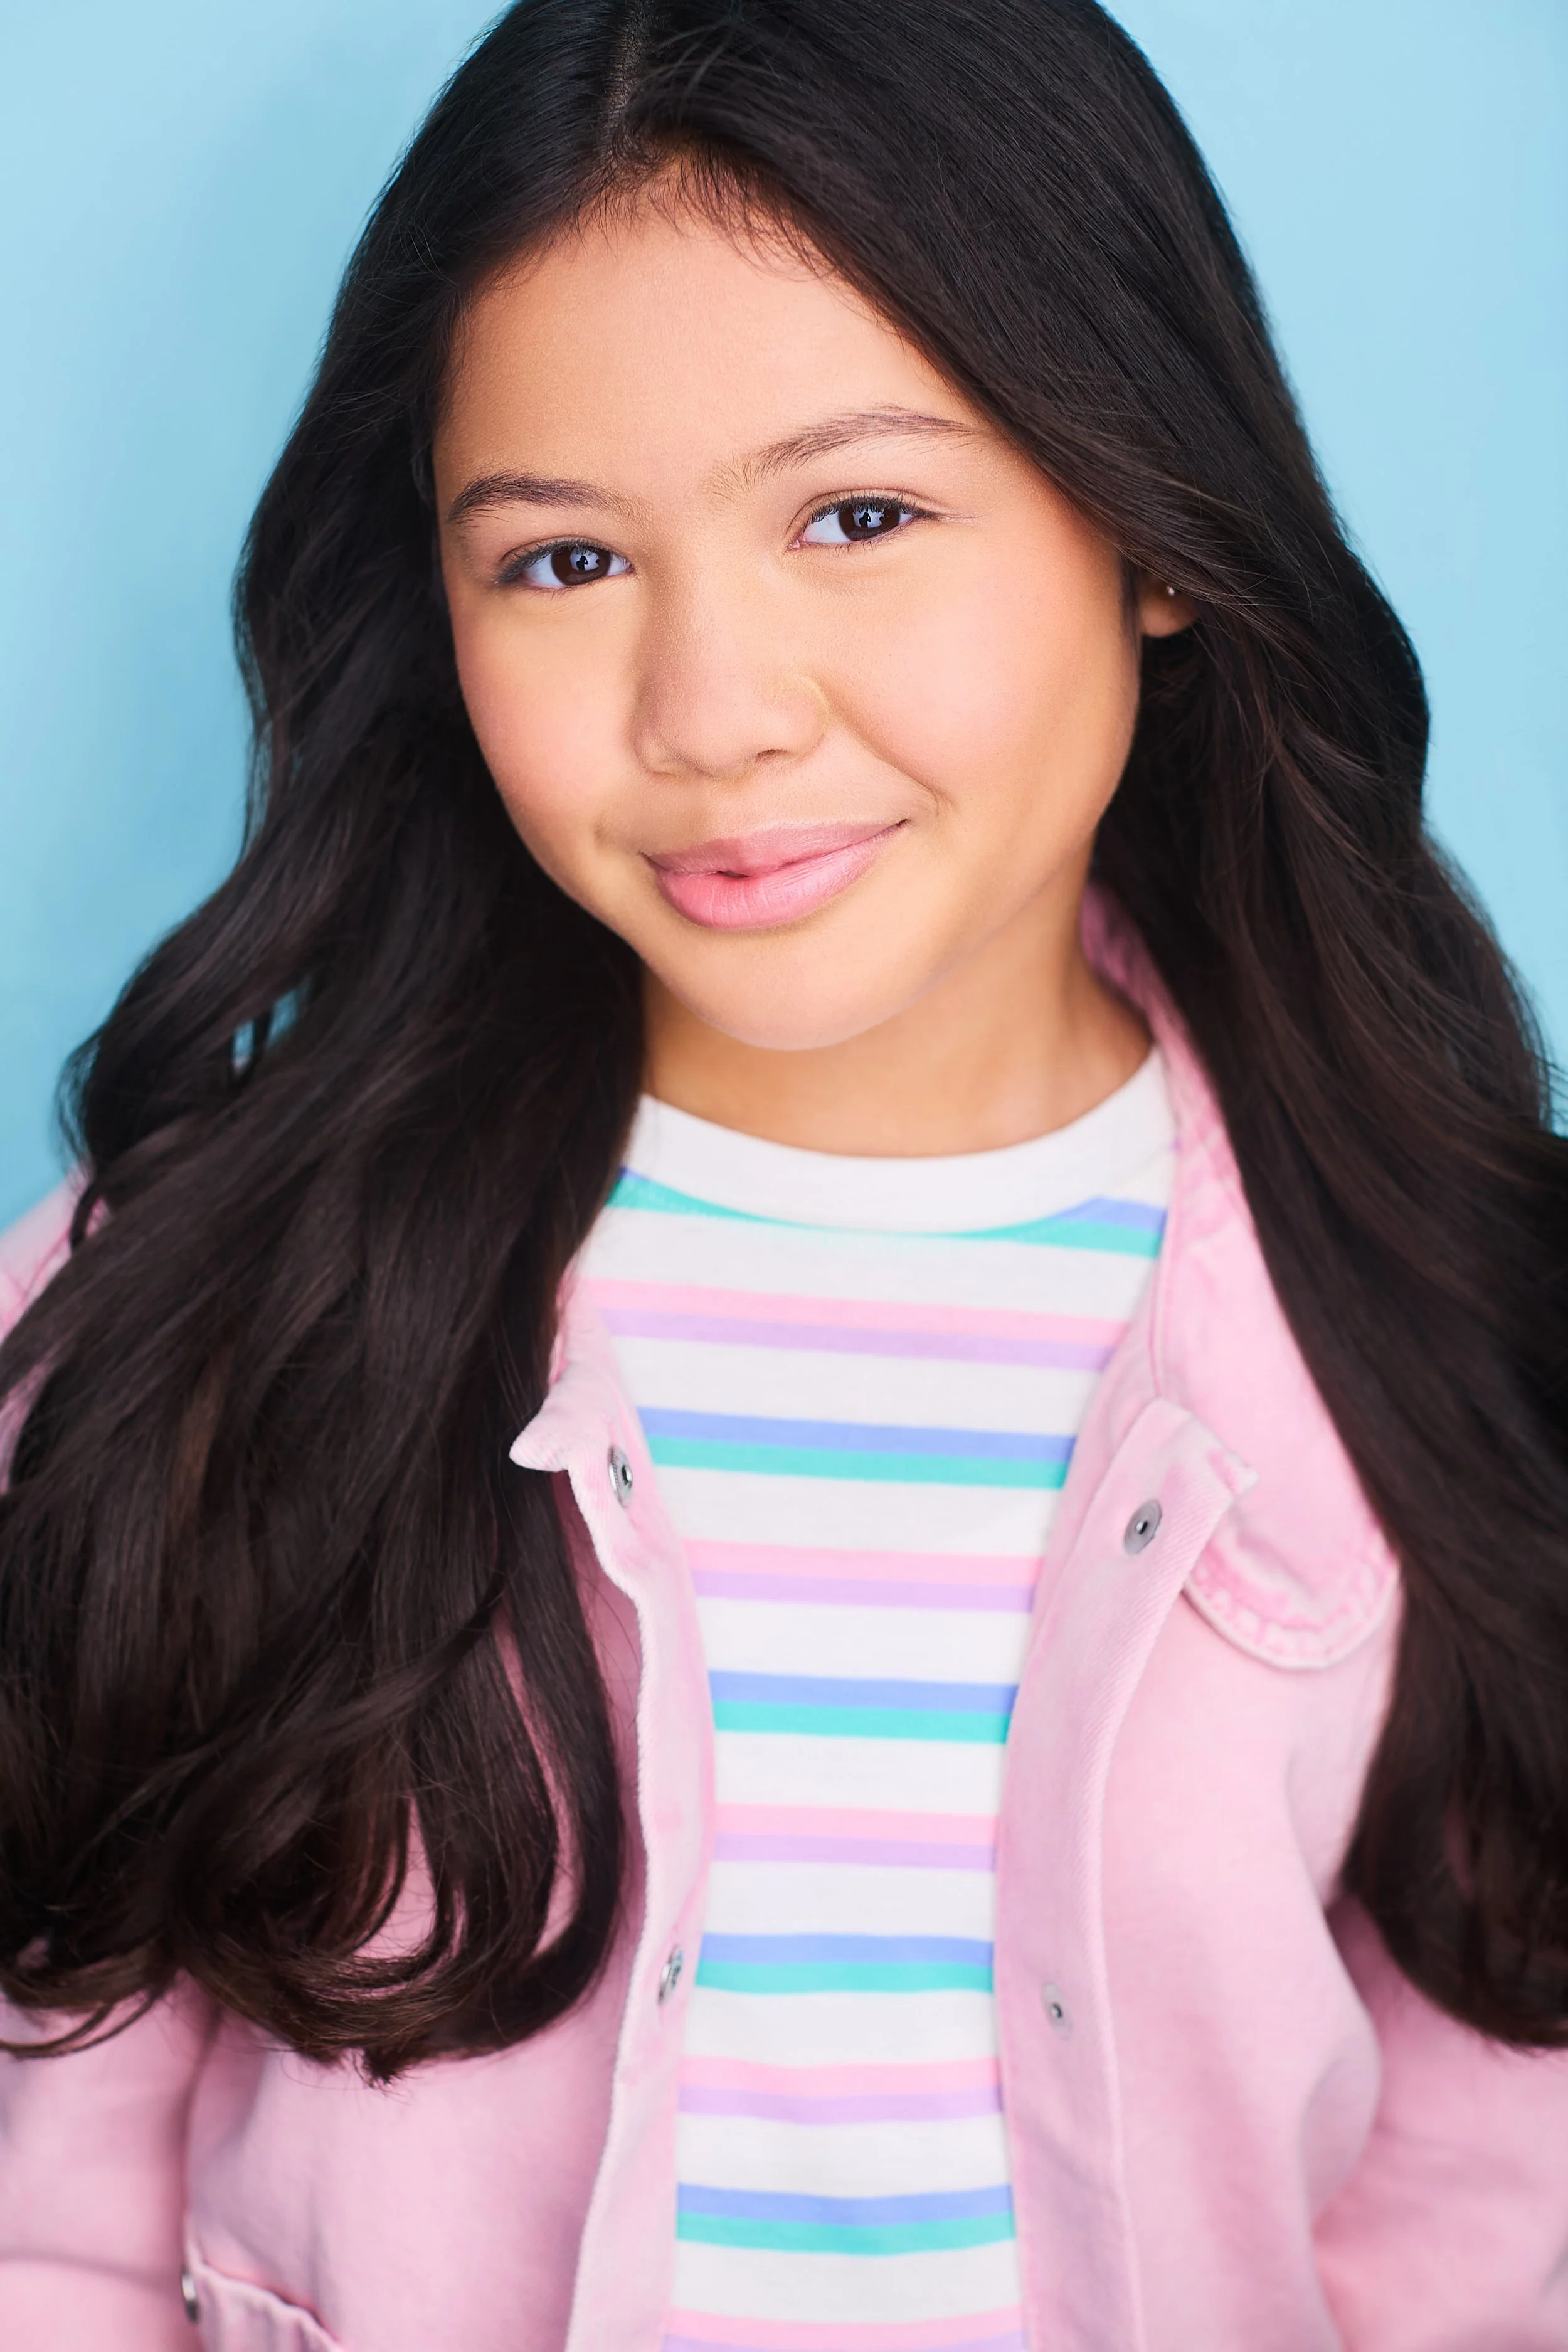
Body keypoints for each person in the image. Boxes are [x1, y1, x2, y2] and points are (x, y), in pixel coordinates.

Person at [3, 1, 1566, 2345]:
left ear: (1154, 523)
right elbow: (49, 2211)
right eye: (561, 561)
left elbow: (1478, 2198)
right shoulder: (195, 1307)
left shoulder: (1451, 1312)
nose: (712, 711)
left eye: (857, 516)